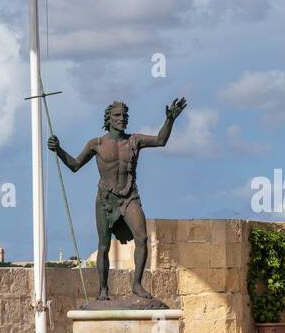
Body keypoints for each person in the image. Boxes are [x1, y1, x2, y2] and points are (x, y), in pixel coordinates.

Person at [47, 97, 187, 301]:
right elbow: (75, 165)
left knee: (142, 238)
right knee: (103, 246)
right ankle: (103, 289)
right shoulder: (96, 144)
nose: (122, 119)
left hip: (130, 196)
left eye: (125, 115)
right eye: (118, 115)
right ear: (108, 119)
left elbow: (160, 140)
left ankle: (137, 284)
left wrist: (170, 119)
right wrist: (58, 150)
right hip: (106, 199)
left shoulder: (134, 140)